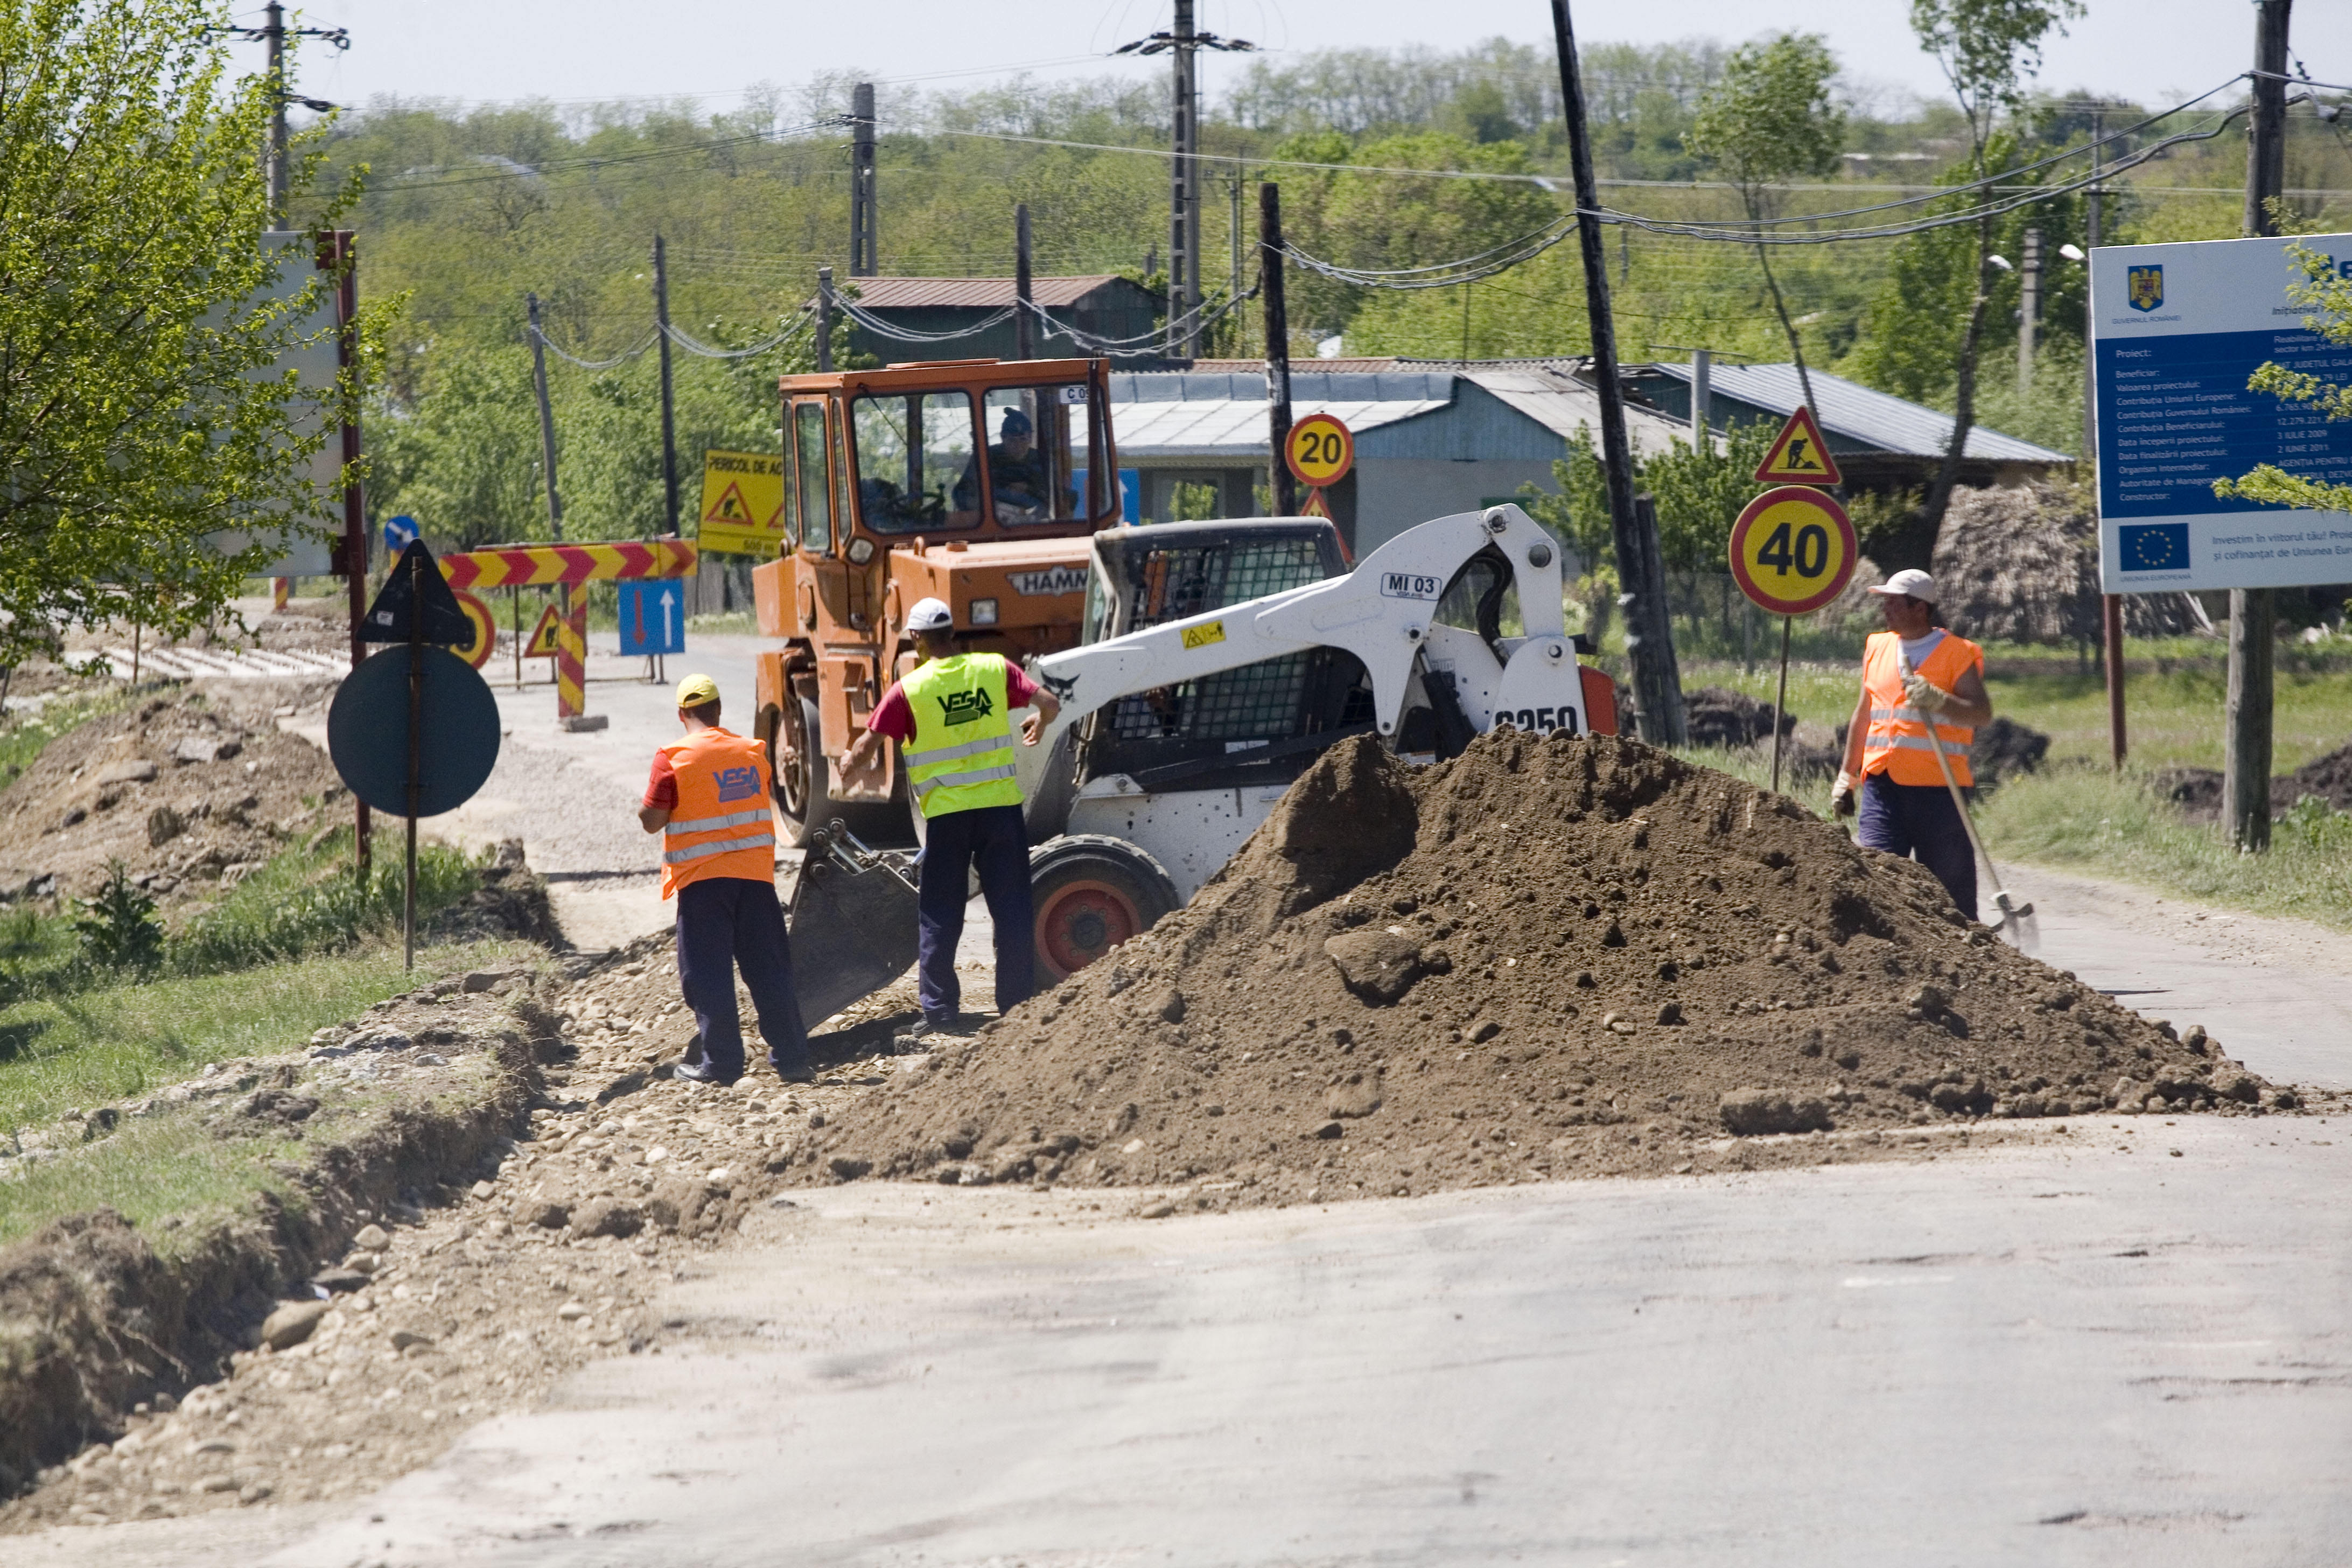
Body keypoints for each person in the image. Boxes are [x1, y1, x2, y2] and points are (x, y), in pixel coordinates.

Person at [839, 597, 1061, 1038]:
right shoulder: (994, 669)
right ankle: (1016, 1005)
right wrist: (1040, 721)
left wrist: (848, 768)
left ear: (918, 640)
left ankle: (940, 1013)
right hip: (1001, 811)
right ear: (952, 633)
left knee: (940, 913)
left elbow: (867, 746)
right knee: (1012, 909)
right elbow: (1050, 702)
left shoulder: (910, 690)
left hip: (949, 819)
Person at [638, 673, 815, 1084]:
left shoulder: (673, 756)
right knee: (770, 970)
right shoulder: (754, 753)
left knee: (707, 974)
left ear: (682, 714)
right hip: (755, 881)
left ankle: (722, 1066)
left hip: (703, 884)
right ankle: (792, 1060)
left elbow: (651, 821)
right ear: (718, 710)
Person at [1831, 568, 1994, 922]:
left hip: (1940, 792)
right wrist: (1848, 777)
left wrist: (1941, 701)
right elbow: (1863, 716)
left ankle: (1967, 959)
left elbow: (1981, 714)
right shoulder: (1878, 647)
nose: (1885, 609)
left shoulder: (1956, 653)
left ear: (1920, 608)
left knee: (1952, 895)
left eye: (1893, 602)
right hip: (1883, 785)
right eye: (1885, 602)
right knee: (1878, 879)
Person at [951, 407, 1062, 521]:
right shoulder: (985, 458)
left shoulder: (1043, 461)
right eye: (1013, 440)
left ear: (1030, 438)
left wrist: (1029, 490)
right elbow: (960, 495)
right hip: (993, 525)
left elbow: (1063, 497)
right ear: (1003, 438)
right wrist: (991, 504)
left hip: (1035, 526)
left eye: (1023, 439)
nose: (1018, 446)